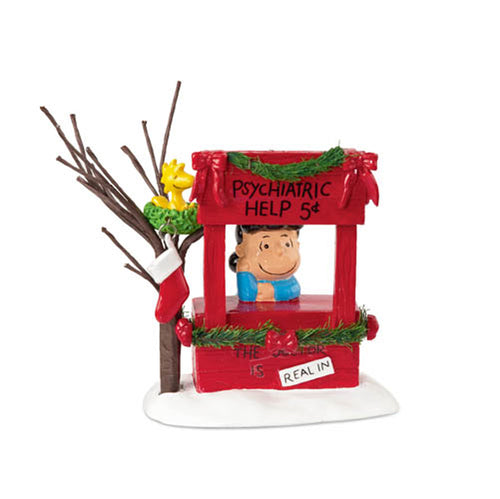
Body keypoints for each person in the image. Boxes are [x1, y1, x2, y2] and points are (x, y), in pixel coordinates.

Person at [229, 225, 302, 302]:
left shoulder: (289, 280)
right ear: (241, 250)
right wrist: (243, 272)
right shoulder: (249, 276)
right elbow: (247, 296)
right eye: (266, 246)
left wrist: (274, 291)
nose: (279, 251)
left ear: (297, 245)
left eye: (287, 244)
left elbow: (295, 288)